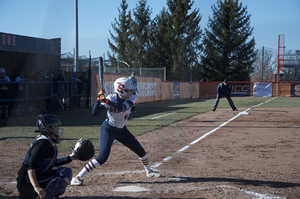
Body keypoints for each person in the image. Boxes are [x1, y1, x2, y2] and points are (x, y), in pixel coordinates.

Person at [70, 77, 161, 186]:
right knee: (102, 157)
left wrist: (106, 101)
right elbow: (95, 113)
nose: (131, 91)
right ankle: (78, 177)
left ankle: (149, 172)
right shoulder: (111, 98)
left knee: (141, 151)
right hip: (109, 129)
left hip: (122, 130)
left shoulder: (132, 97)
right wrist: (99, 100)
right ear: (121, 90)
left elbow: (122, 107)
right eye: (129, 89)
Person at [16, 114, 74, 199]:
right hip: (26, 183)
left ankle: (28, 196)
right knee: (64, 173)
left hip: (27, 182)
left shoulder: (45, 141)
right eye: (55, 126)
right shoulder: (42, 143)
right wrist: (36, 187)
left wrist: (72, 157)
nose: (57, 129)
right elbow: (30, 165)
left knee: (61, 177)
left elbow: (51, 163)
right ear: (48, 128)